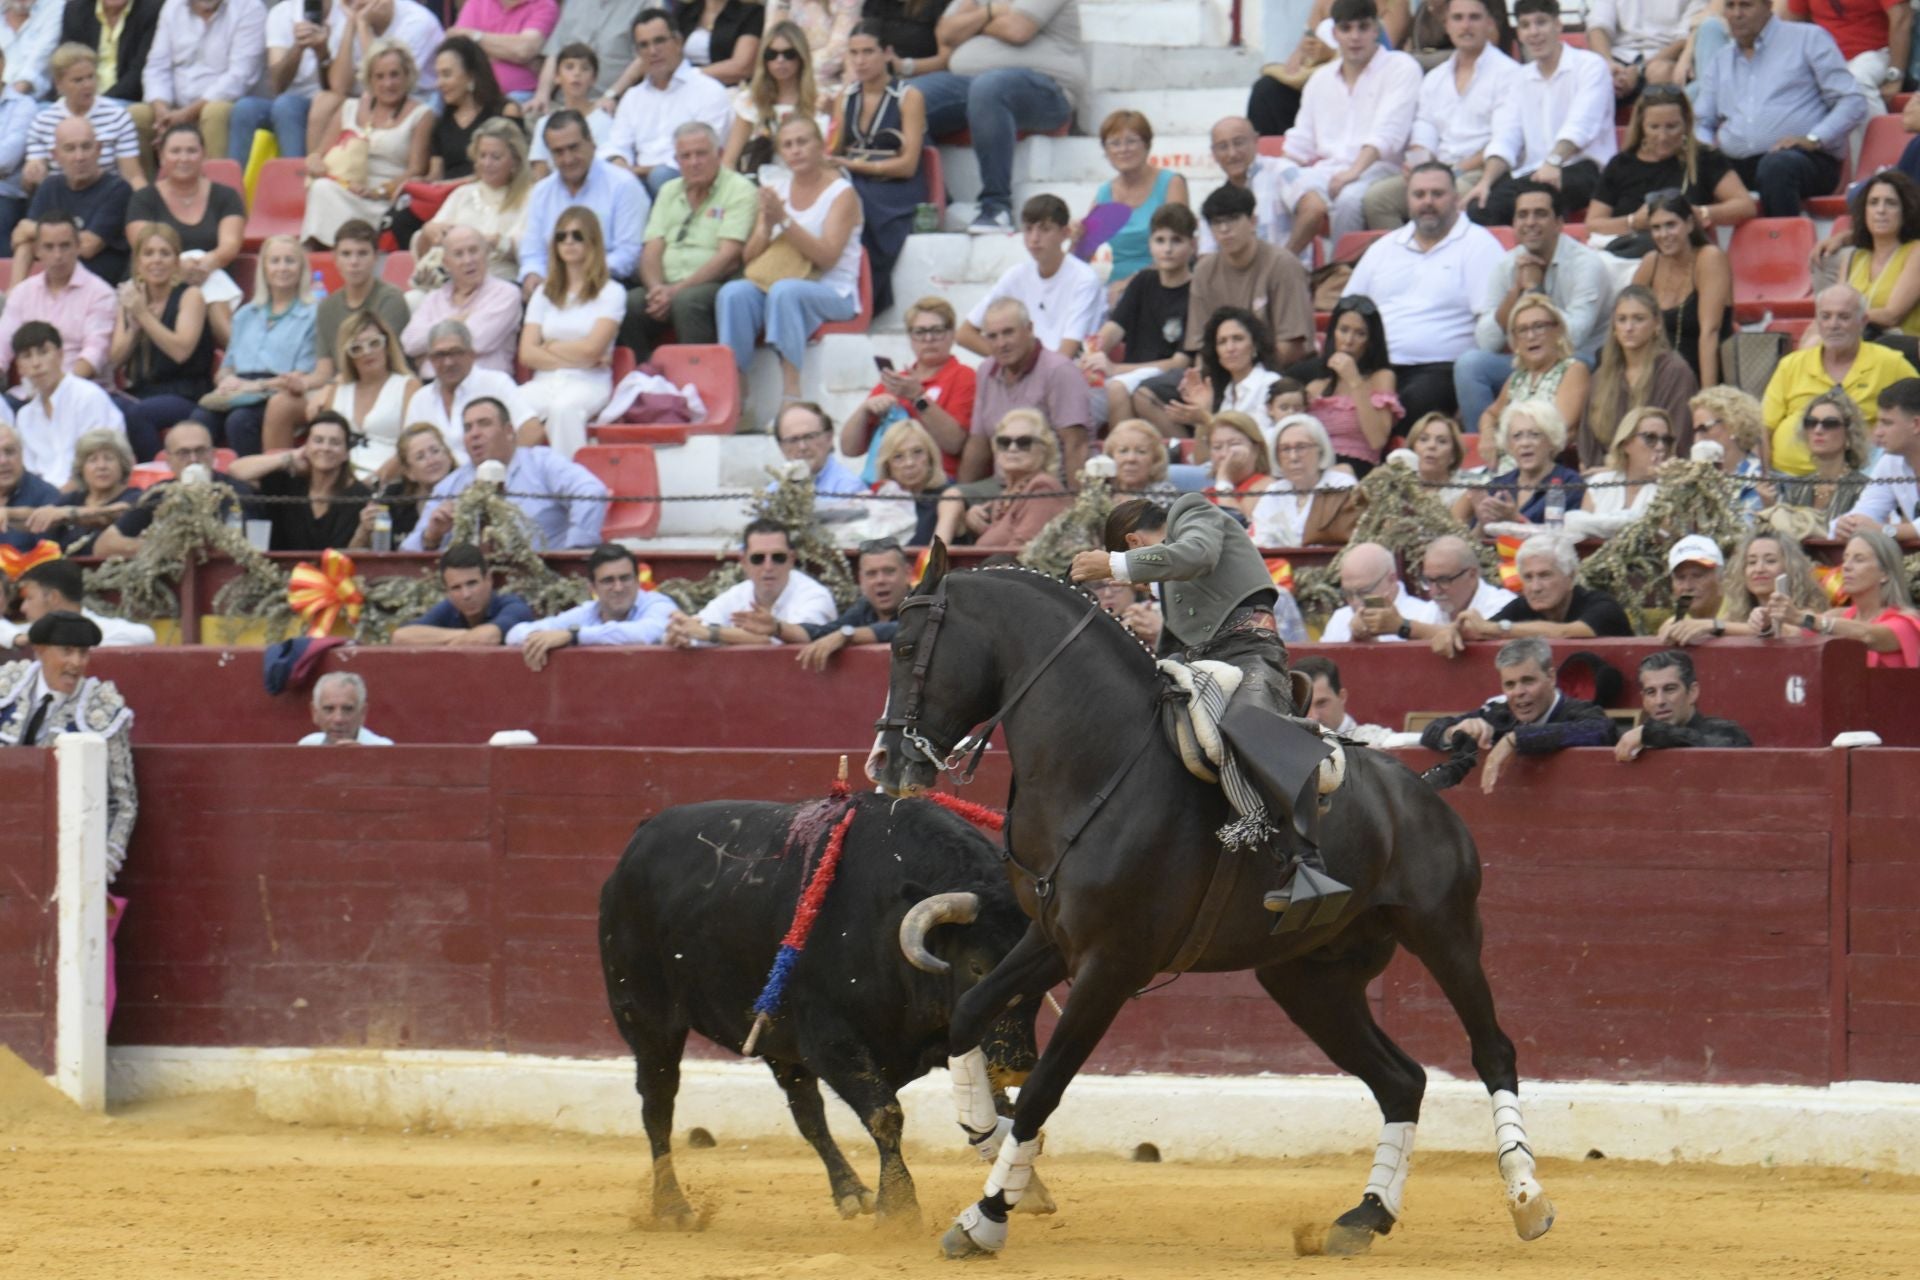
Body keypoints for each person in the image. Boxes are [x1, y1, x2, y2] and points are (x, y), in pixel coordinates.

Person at [1071, 492, 1352, 925]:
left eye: (1133, 574)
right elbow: (1172, 645)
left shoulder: (1192, 510)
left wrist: (1113, 567)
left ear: (1133, 541)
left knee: (1250, 721)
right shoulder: (1170, 579)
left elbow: (1195, 555)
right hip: (1197, 663)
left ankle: (1308, 866)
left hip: (1249, 652)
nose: (1140, 587)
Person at [1344, 161, 1505, 424]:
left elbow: (1490, 327)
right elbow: (1348, 310)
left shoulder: (1480, 246)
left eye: (1437, 194)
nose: (1427, 202)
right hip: (1374, 366)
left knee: (1410, 406)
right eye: (1419, 195)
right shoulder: (1384, 248)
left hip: (1440, 368)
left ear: (1455, 198)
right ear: (1407, 199)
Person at [907, 0, 1083, 235]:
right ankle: (937, 202)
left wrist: (974, 22)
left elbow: (1018, 30)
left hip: (1046, 88)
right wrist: (992, 13)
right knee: (906, 98)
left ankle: (997, 207)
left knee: (989, 86)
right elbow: (946, 33)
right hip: (974, 82)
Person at [717, 116, 862, 403]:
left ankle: (791, 395)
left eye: (802, 142)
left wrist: (784, 221)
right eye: (787, 145)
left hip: (833, 289)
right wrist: (766, 226)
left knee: (786, 291)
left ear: (820, 146)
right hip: (777, 282)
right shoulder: (778, 188)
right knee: (733, 293)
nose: (795, 151)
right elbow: (749, 258)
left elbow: (828, 258)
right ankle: (737, 392)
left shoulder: (841, 194)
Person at [1457, 183, 1611, 437]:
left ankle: (1542, 446)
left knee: (1577, 362)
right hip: (1527, 361)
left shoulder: (1586, 264)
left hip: (1581, 363)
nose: (1530, 222)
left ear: (1559, 223)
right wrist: (1516, 291)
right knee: (1470, 364)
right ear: (1514, 224)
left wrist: (1536, 289)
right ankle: (1484, 453)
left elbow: (1573, 338)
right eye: (1522, 215)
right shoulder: (1507, 265)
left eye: (1540, 214)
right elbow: (1486, 341)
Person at [1692, 0, 1868, 218]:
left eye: (1746, 5)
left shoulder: (1808, 38)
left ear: (1768, 6)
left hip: (1804, 159)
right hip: (1737, 163)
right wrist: (1707, 153)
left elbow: (1852, 100)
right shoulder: (1721, 59)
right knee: (1692, 167)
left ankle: (1782, 245)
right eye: (1730, 6)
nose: (1736, 14)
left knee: (1776, 166)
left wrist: (1814, 138)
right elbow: (1703, 122)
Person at [0, 610, 137, 876]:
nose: (77, 662)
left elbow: (122, 804)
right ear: (39, 650)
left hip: (65, 856)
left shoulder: (102, 710)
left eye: (83, 653)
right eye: (67, 651)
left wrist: (96, 873)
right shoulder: (5, 690)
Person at [1274, 0, 1420, 250]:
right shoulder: (1320, 79)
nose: (1355, 37)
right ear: (1334, 34)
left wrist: (1353, 173)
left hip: (1380, 170)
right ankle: (1287, 270)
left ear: (1376, 30)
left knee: (1349, 199)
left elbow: (1388, 133)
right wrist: (1279, 172)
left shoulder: (1401, 68)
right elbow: (1301, 141)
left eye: (1363, 27)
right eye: (1346, 29)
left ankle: (1340, 272)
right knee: (1274, 182)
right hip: (1327, 171)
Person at [1361, 0, 1518, 232]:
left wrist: (1455, 170)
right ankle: (1403, 261)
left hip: (1480, 173)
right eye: (1458, 18)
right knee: (1377, 199)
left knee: (1451, 196)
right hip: (1438, 170)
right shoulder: (1435, 78)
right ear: (1446, 25)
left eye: (1474, 18)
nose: (1465, 25)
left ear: (1489, 24)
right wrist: (1417, 161)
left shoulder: (1509, 73)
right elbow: (1425, 131)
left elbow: (1504, 139)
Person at [1465, 0, 1616, 227]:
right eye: (1525, 25)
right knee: (1480, 206)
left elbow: (1581, 124)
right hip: (1535, 173)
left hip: (1587, 169)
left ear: (1558, 25)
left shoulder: (1590, 66)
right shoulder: (1518, 78)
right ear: (1519, 33)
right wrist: (1485, 182)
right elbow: (1506, 136)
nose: (1533, 32)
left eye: (1541, 23)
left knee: (1540, 196)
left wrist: (1553, 162)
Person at [620, 120, 755, 358]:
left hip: (714, 284)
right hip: (667, 286)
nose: (694, 162)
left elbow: (729, 257)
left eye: (701, 154)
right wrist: (656, 290)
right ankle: (644, 380)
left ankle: (697, 386)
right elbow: (652, 248)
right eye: (685, 156)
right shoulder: (668, 190)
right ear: (677, 160)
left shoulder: (740, 189)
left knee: (687, 302)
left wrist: (676, 291)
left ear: (720, 154)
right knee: (628, 303)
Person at [401, 395, 608, 551]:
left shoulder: (541, 463)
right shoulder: (451, 485)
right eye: (467, 428)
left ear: (509, 431)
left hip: (543, 579)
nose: (474, 434)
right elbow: (407, 551)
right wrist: (432, 536)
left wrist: (574, 552)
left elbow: (591, 492)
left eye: (484, 424)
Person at [1418, 635, 1618, 793]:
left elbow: (1600, 729)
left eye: (1528, 681)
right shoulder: (1500, 713)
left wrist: (1516, 739)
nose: (1518, 692)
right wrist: (1455, 731)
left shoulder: (1578, 710)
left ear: (1551, 677)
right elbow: (1430, 732)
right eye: (1510, 684)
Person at [1764, 285, 1917, 477]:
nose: (1833, 325)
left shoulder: (1890, 363)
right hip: (1785, 477)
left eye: (1843, 317)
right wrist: (1763, 474)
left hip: (1859, 481)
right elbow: (1763, 428)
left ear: (1863, 322)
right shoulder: (1791, 364)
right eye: (1825, 316)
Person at [299, 39, 434, 247]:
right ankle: (316, 254)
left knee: (323, 192)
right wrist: (314, 161)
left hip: (384, 199)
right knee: (321, 187)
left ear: (407, 75)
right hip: (345, 188)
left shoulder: (421, 114)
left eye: (394, 75)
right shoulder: (350, 107)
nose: (388, 83)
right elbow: (319, 153)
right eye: (379, 76)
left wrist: (379, 191)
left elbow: (417, 170)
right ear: (369, 79)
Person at [831, 21, 926, 314]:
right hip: (856, 179)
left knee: (856, 204)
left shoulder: (908, 97)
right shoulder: (845, 97)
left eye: (868, 52)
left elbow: (908, 165)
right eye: (854, 53)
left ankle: (867, 299)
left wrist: (854, 165)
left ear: (887, 53)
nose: (860, 61)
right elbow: (834, 149)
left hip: (896, 187)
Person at [194, 233, 319, 456]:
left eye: (290, 261)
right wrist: (226, 380)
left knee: (240, 421)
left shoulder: (312, 315)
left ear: (301, 269)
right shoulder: (245, 315)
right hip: (238, 388)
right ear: (264, 268)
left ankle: (253, 487)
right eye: (275, 261)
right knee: (199, 421)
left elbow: (300, 375)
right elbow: (227, 366)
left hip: (277, 391)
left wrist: (256, 386)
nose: (282, 268)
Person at [517, 205, 625, 459]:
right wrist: (581, 354)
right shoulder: (544, 293)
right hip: (544, 380)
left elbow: (592, 349)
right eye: (561, 236)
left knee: (563, 409)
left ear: (592, 242)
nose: (568, 242)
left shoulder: (611, 292)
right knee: (507, 404)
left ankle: (572, 488)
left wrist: (549, 346)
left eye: (577, 236)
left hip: (588, 382)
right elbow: (526, 354)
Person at [123, 124, 245, 346]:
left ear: (204, 155)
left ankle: (239, 358)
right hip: (157, 277)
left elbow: (230, 244)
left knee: (211, 280)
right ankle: (239, 353)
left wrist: (207, 263)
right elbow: (142, 245)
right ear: (161, 156)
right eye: (175, 151)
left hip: (207, 273)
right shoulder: (144, 198)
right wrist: (177, 266)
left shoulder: (226, 196)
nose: (184, 158)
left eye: (191, 151)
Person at [1583, 84, 1753, 241]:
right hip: (1630, 255)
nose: (1663, 137)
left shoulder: (1705, 158)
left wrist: (1700, 213)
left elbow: (1745, 205)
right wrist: (1633, 222)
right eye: (1654, 127)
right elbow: (1593, 224)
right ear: (1641, 126)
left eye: (1672, 127)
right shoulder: (1621, 164)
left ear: (1686, 123)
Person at [839, 294, 974, 481]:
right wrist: (865, 410)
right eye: (920, 332)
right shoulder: (896, 381)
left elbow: (954, 443)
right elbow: (849, 449)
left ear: (952, 334)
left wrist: (917, 398)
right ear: (910, 337)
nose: (928, 338)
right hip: (888, 485)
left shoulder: (964, 376)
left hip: (935, 484)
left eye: (937, 330)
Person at [1183, 182, 1312, 375]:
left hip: (1281, 371)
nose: (1225, 229)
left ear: (1253, 221)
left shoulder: (1283, 265)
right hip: (1223, 372)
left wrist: (1245, 377)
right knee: (1152, 393)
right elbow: (1201, 346)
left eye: (1233, 219)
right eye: (1217, 222)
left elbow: (1293, 346)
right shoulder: (1203, 272)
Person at [1087, 203, 1195, 433]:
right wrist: (1093, 355)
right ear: (1150, 244)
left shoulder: (1196, 291)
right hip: (1131, 371)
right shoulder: (1142, 282)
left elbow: (1179, 362)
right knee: (1073, 392)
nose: (1167, 249)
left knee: (1117, 388)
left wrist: (1116, 369)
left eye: (1176, 240)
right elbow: (1113, 330)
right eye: (1160, 240)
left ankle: (1119, 461)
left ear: (1192, 245)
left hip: (1171, 376)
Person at [957, 296, 1087, 483]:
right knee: (952, 501)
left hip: (1048, 487)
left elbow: (1076, 445)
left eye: (1008, 333)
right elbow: (978, 443)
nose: (1001, 343)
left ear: (1029, 329)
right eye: (992, 336)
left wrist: (1076, 508)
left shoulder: (1059, 370)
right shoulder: (986, 370)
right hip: (1003, 486)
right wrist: (963, 495)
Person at [519, 111, 650, 294]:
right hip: (554, 287)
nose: (568, 159)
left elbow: (629, 255)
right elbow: (532, 253)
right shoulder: (542, 192)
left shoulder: (623, 185)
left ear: (592, 143)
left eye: (574, 148)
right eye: (558, 152)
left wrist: (578, 275)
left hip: (607, 284)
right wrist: (532, 275)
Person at [960, 194, 1103, 360]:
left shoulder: (1084, 279)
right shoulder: (1015, 276)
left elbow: (1067, 353)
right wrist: (1011, 361)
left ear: (1065, 233)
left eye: (1045, 229)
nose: (1034, 239)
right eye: (1028, 229)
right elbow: (965, 334)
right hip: (1025, 372)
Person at [608, 8, 732, 195]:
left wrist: (638, 171)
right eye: (644, 45)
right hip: (636, 184)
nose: (653, 51)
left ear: (678, 42)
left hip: (689, 183)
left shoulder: (709, 91)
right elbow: (616, 145)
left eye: (659, 41)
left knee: (661, 177)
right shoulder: (633, 97)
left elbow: (703, 156)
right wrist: (619, 163)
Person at [94, 419, 257, 557]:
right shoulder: (159, 493)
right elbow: (104, 545)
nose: (193, 460)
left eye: (200, 451)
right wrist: (158, 548)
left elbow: (242, 545)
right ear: (168, 460)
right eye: (183, 453)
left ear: (213, 454)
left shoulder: (235, 491)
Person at [664, 517, 837, 645]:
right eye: (758, 558)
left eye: (778, 557)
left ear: (792, 559)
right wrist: (682, 635)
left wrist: (711, 633)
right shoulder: (736, 595)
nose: (768, 566)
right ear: (744, 562)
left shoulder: (815, 597)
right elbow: (699, 629)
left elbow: (785, 640)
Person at [1447, 532, 1634, 651]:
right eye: (1528, 577)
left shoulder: (1603, 605)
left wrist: (1498, 629)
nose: (1535, 587)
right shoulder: (1521, 606)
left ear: (1570, 577)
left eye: (1545, 575)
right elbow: (1480, 631)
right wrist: (1452, 631)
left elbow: (1568, 633)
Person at [1762, 527, 1920, 666]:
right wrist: (1766, 624)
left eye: (1859, 559)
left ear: (1884, 573)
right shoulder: (1838, 615)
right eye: (1845, 558)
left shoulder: (1906, 622)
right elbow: (1792, 633)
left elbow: (1867, 635)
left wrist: (1803, 618)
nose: (1846, 566)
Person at [505, 540, 676, 668]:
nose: (618, 588)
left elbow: (644, 634)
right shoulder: (586, 613)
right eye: (608, 581)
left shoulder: (658, 604)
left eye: (625, 578)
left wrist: (573, 636)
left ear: (637, 581)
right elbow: (515, 634)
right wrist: (541, 638)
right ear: (593, 587)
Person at [1580, 285, 1698, 470]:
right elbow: (1588, 449)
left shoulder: (1675, 372)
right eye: (1622, 319)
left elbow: (1677, 444)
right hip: (1603, 482)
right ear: (1613, 327)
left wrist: (1617, 471)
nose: (1629, 328)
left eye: (1639, 319)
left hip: (1660, 480)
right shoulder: (1601, 377)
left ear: (1657, 324)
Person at [309, 1, 447, 152]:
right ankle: (315, 169)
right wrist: (350, 25)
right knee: (324, 101)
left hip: (416, 96)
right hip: (370, 95)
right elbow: (339, 86)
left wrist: (362, 25)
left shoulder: (417, 21)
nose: (355, 4)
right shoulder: (351, 15)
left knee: (371, 99)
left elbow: (387, 76)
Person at [225, 410, 373, 549]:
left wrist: (362, 534)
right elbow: (235, 471)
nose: (326, 448)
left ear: (346, 453)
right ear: (305, 447)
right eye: (318, 440)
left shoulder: (360, 496)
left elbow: (354, 557)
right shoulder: (287, 483)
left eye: (335, 442)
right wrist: (289, 457)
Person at [410, 116, 531, 284]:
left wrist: (496, 241)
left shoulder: (531, 198)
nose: (487, 163)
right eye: (482, 156)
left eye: (495, 157)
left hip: (500, 284)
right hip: (451, 283)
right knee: (413, 300)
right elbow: (425, 248)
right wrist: (428, 232)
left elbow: (533, 252)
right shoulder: (463, 194)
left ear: (515, 161)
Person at [1630, 192, 1731, 390]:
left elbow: (1709, 333)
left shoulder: (1709, 258)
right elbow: (1628, 317)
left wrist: (1706, 399)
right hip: (1655, 374)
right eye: (1656, 228)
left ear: (1690, 224)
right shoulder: (1650, 262)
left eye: (1671, 225)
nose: (1664, 235)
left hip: (1699, 373)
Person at [297, 309, 419, 473]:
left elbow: (410, 446)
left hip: (388, 481)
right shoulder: (338, 389)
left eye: (374, 343)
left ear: (387, 345)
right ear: (347, 355)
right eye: (356, 348)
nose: (367, 352)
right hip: (338, 478)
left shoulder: (408, 386)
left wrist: (376, 480)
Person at [141, 0, 263, 161]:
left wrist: (187, 113)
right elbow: (156, 67)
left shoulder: (249, 7)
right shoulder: (173, 7)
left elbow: (240, 76)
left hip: (223, 102)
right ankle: (145, 185)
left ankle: (216, 182)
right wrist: (161, 111)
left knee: (214, 112)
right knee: (138, 115)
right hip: (173, 108)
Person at [769, 534, 911, 671]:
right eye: (871, 574)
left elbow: (908, 630)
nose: (880, 580)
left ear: (907, 574)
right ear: (861, 580)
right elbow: (825, 634)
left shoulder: (924, 603)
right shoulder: (864, 608)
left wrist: (848, 635)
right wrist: (776, 627)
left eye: (889, 571)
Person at [17, 116, 132, 284]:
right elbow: (20, 236)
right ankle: (14, 293)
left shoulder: (118, 189)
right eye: (70, 149)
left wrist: (37, 231)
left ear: (98, 149)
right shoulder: (50, 186)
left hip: (99, 289)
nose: (79, 157)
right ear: (55, 155)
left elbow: (88, 246)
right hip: (53, 286)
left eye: (86, 147)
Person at [12, 319, 127, 482]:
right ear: (19, 367)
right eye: (27, 356)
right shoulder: (25, 417)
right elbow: (29, 475)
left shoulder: (88, 397)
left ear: (60, 355)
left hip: (88, 493)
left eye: (43, 352)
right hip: (43, 500)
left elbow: (103, 463)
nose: (36, 363)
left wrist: (55, 501)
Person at [0, 214, 112, 380]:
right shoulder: (22, 293)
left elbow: (94, 354)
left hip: (80, 393)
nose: (57, 255)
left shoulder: (100, 293)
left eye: (65, 246)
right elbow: (2, 347)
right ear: (37, 250)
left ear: (78, 247)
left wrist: (60, 392)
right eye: (49, 247)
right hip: (28, 394)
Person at [230, 0, 345, 161]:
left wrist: (322, 52)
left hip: (328, 104)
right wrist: (298, 47)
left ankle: (295, 180)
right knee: (245, 108)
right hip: (285, 102)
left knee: (287, 106)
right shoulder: (282, 13)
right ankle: (233, 184)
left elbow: (336, 87)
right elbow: (277, 85)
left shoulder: (345, 13)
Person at [1164, 306, 1286, 457]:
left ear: (1255, 345)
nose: (1230, 348)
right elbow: (1201, 461)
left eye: (1238, 339)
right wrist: (1205, 412)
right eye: (1222, 342)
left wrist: (1206, 419)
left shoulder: (1271, 384)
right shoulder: (1226, 392)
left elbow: (1258, 450)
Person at [1474, 293, 1591, 448]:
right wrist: (1488, 436)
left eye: (1539, 326)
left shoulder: (1573, 370)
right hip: (1508, 463)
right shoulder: (1518, 378)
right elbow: (1489, 414)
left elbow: (1559, 430)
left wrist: (1507, 438)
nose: (1531, 336)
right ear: (1515, 341)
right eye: (1522, 330)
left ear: (1557, 331)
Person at [25, 42, 145, 192]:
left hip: (107, 196)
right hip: (60, 198)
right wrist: (33, 173)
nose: (87, 85)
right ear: (59, 84)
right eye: (78, 80)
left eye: (91, 77)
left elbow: (132, 175)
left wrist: (146, 208)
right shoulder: (42, 121)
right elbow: (32, 178)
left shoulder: (117, 116)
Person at [402, 224, 522, 374]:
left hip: (483, 387)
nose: (468, 260)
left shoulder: (506, 293)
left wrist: (429, 349)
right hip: (433, 386)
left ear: (486, 253)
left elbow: (477, 341)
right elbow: (409, 343)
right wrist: (456, 321)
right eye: (458, 254)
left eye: (473, 251)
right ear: (446, 263)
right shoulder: (434, 298)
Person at [404, 318, 538, 451]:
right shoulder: (420, 399)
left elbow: (532, 430)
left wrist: (504, 467)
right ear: (430, 360)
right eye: (440, 355)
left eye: (455, 353)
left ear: (471, 354)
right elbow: (408, 449)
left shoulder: (496, 383)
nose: (448, 362)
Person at [1300, 295, 1399, 475]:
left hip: (1356, 471)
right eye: (1343, 330)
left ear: (1370, 342)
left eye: (1360, 333)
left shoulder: (1381, 378)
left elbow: (1377, 440)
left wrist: (1354, 381)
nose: (1349, 340)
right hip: (1316, 469)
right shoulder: (1315, 386)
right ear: (1333, 333)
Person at [1814, 171, 1920, 339]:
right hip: (1857, 342)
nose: (1881, 210)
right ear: (1864, 212)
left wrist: (1842, 317)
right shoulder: (1853, 258)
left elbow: (1892, 316)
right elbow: (1838, 305)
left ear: (1906, 211)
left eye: (1891, 203)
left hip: (1901, 347)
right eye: (1873, 203)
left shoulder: (1916, 252)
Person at [1675, 527, 1824, 642]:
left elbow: (1786, 632)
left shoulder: (1807, 613)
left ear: (1791, 568)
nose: (1759, 569)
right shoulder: (1735, 615)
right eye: (1751, 562)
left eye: (1770, 561)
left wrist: (1714, 626)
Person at [1455, 398, 1583, 528]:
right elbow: (1476, 543)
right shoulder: (1498, 486)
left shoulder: (1570, 483)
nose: (1525, 443)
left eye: (1534, 435)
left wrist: (1515, 520)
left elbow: (1563, 539)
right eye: (1517, 436)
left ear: (1551, 440)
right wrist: (1482, 524)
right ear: (1509, 445)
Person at [718, 17, 820, 173]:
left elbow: (828, 155)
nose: (780, 60)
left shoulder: (820, 99)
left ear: (801, 57)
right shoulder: (750, 101)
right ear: (764, 60)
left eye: (789, 54)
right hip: (760, 181)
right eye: (772, 54)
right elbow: (729, 161)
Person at [958, 406, 1068, 550]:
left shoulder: (1042, 487)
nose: (1012, 448)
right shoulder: (1006, 496)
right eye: (1004, 442)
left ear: (1044, 449)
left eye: (1024, 442)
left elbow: (1023, 551)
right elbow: (1002, 540)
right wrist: (977, 526)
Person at [1614, 649, 1753, 761]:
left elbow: (1732, 749)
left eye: (1670, 689)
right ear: (1643, 699)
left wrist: (1654, 733)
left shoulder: (1727, 733)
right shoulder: (1634, 739)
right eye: (1651, 692)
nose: (1660, 701)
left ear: (1692, 692)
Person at [390, 542, 535, 646]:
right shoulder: (449, 608)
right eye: (456, 588)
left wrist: (439, 640)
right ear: (447, 590)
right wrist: (467, 635)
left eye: (472, 583)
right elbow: (401, 637)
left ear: (489, 579)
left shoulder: (513, 605)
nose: (466, 594)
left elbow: (488, 638)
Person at [1249, 413, 1358, 546]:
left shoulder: (1341, 485)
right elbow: (1262, 541)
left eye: (1301, 447)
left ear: (1320, 450)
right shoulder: (1275, 491)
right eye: (1285, 449)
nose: (1293, 457)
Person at [1835, 376, 1920, 539]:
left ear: (1916, 425)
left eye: (1887, 423)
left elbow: (1880, 529)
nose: (1877, 432)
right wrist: (1846, 525)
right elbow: (1867, 511)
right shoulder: (1890, 461)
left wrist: (1885, 530)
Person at [29, 426, 138, 552]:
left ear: (123, 465)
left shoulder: (134, 497)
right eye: (92, 460)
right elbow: (41, 518)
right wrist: (9, 514)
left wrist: (69, 514)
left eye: (109, 458)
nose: (101, 466)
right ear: (82, 468)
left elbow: (119, 513)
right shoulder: (73, 498)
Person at [1573, 404, 1675, 538]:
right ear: (1626, 443)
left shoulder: (1672, 488)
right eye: (1650, 438)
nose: (1660, 447)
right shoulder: (1600, 482)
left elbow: (1666, 535)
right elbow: (1581, 536)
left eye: (1666, 440)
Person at [58, 0, 163, 130]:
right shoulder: (76, 9)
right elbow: (65, 65)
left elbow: (138, 73)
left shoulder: (151, 10)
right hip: (80, 98)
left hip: (127, 99)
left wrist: (99, 105)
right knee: (42, 111)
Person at [1774, 389, 1872, 528]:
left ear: (1850, 435)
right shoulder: (1796, 489)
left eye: (1830, 423)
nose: (1818, 430)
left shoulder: (1865, 489)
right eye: (1811, 422)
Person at [1319, 540, 1443, 643]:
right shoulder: (1340, 618)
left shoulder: (1427, 614)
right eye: (1348, 594)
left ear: (1392, 579)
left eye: (1364, 593)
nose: (1355, 602)